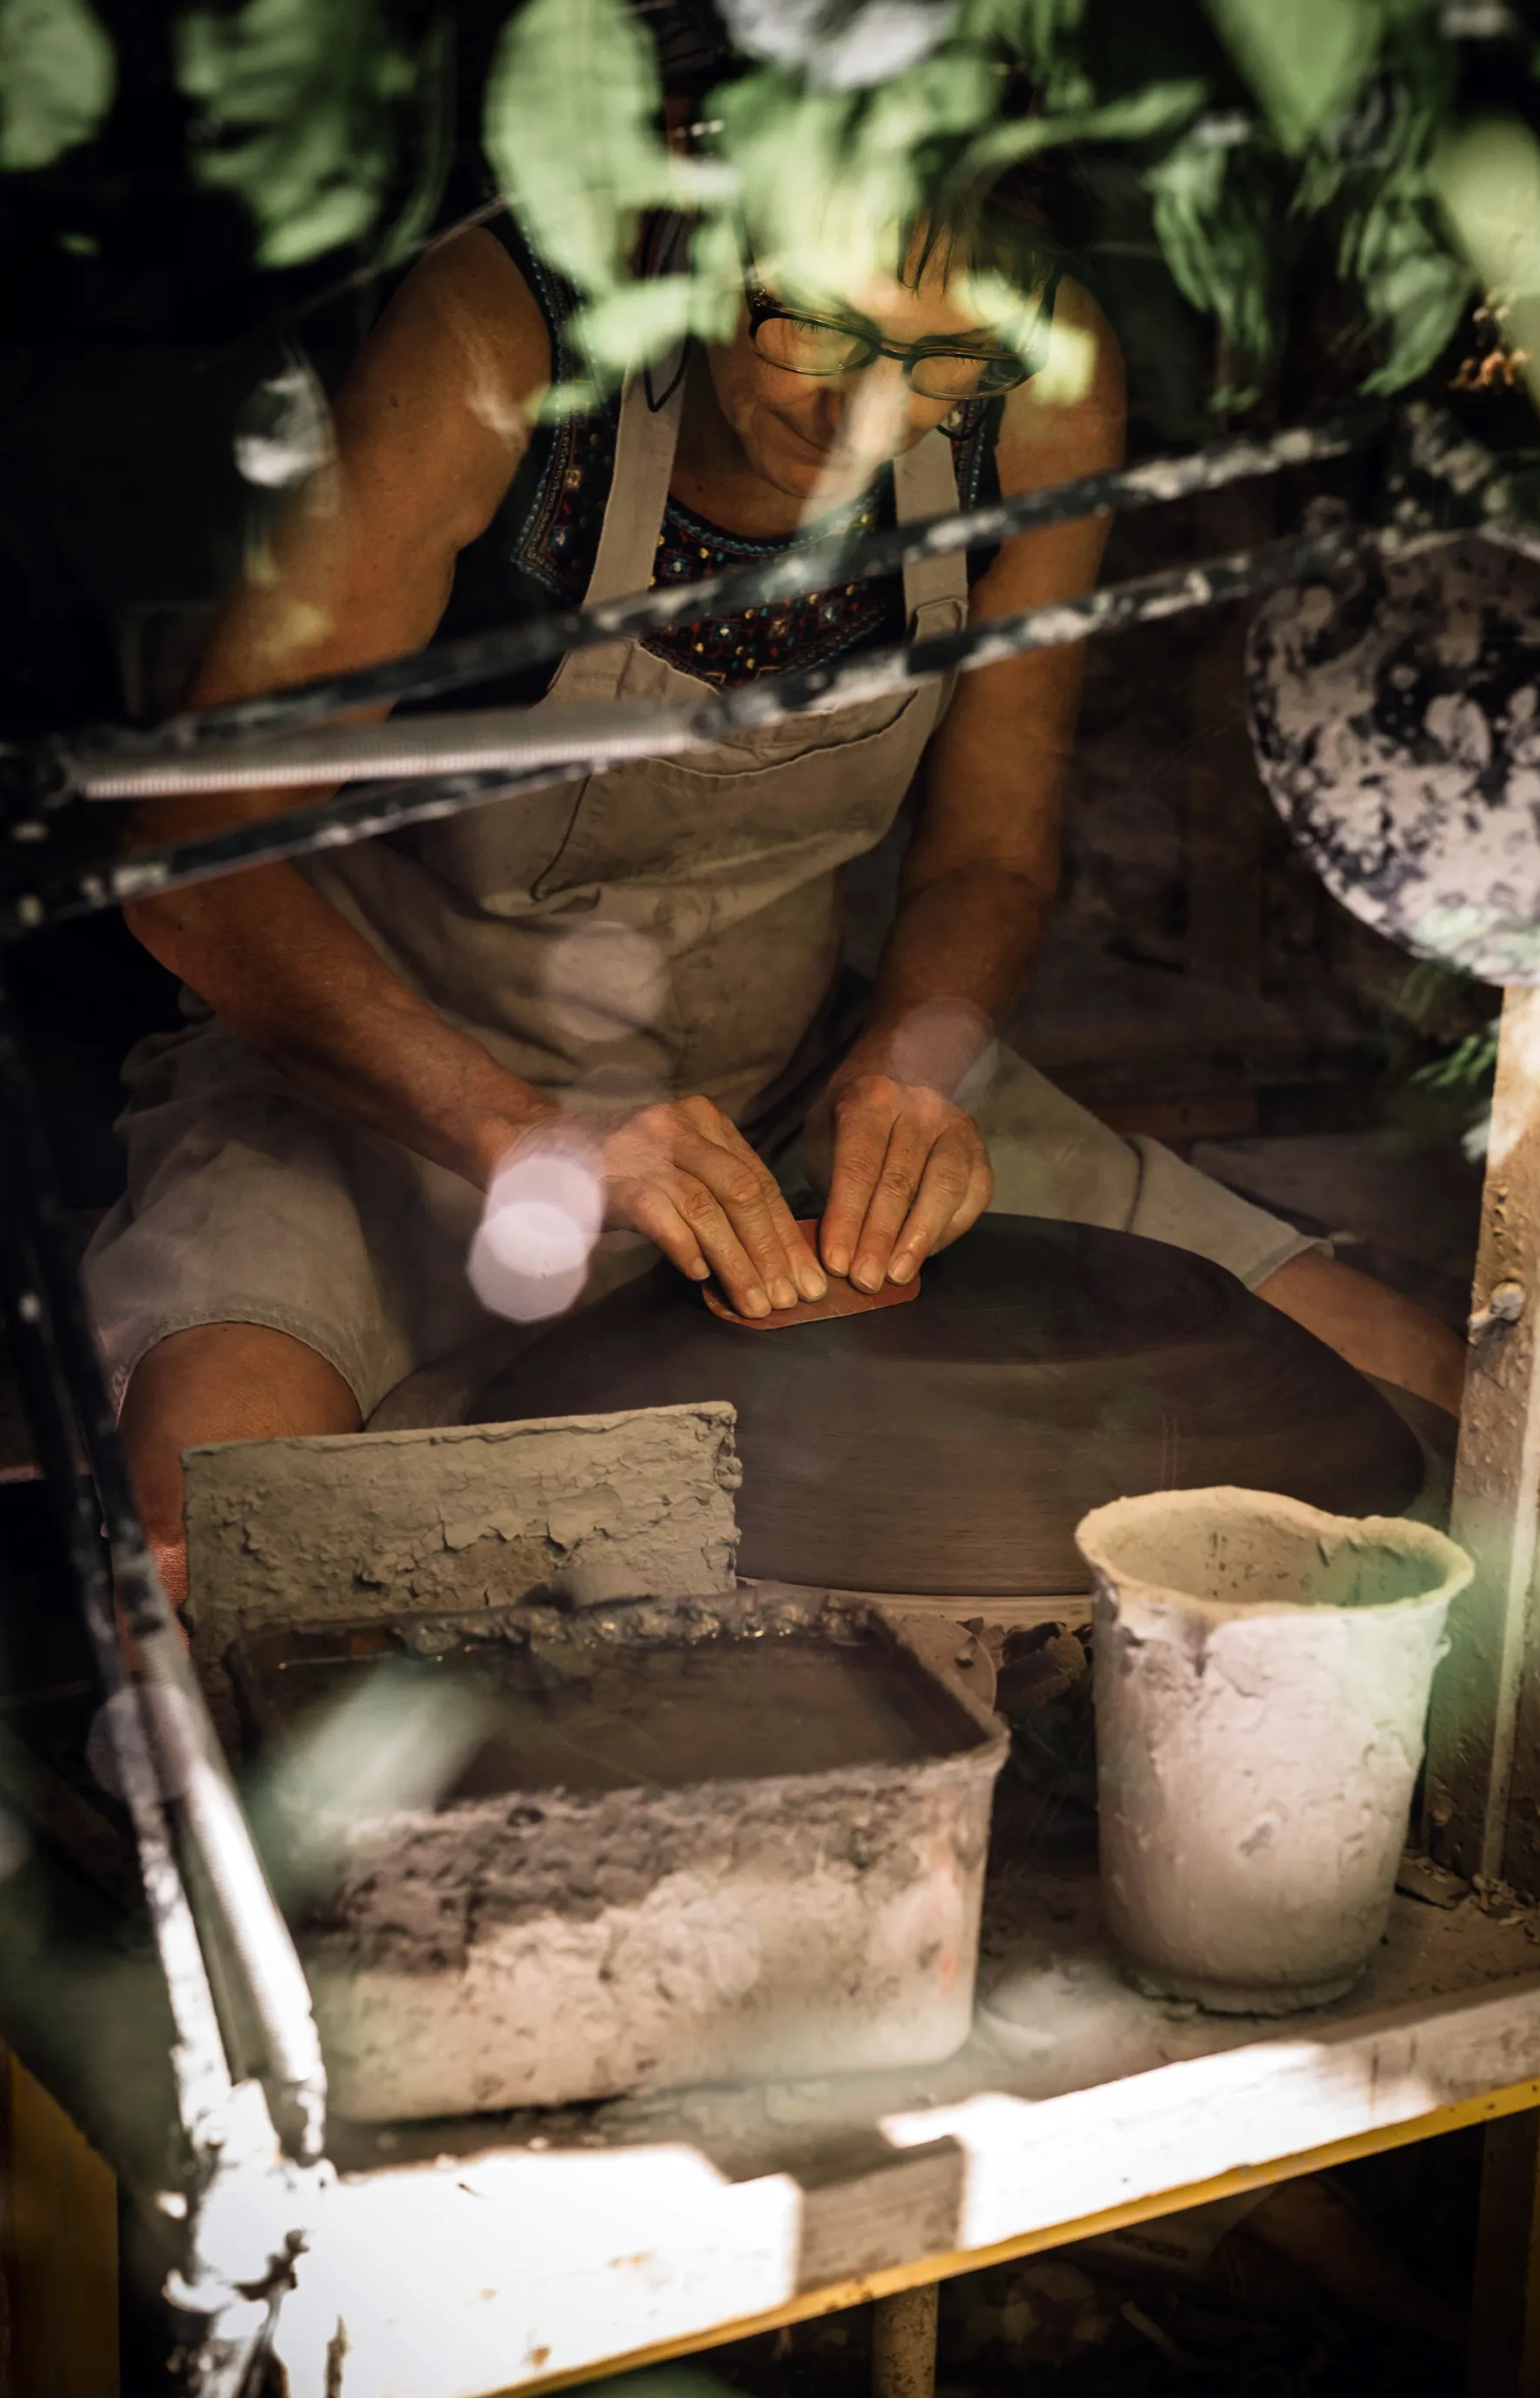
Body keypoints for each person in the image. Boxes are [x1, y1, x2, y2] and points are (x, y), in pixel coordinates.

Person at [86, 164, 1464, 1604]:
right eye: (815, 326)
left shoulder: (1044, 376)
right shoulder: (512, 343)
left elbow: (991, 856)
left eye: (941, 364)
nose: (864, 415)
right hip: (385, 1100)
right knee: (212, 1547)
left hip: (810, 1082)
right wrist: (530, 1143)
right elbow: (186, 862)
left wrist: (920, 1063)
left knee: (1414, 1397)